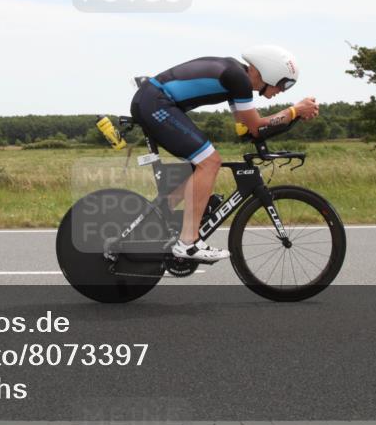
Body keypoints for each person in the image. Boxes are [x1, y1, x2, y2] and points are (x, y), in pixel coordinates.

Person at [130, 45, 319, 262]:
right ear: (270, 72)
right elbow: (257, 126)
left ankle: (160, 217)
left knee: (201, 165)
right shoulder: (237, 77)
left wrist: (293, 118)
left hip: (153, 101)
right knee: (209, 162)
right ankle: (187, 243)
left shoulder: (237, 79)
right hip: (155, 103)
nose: (282, 91)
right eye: (284, 83)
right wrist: (294, 111)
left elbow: (246, 129)